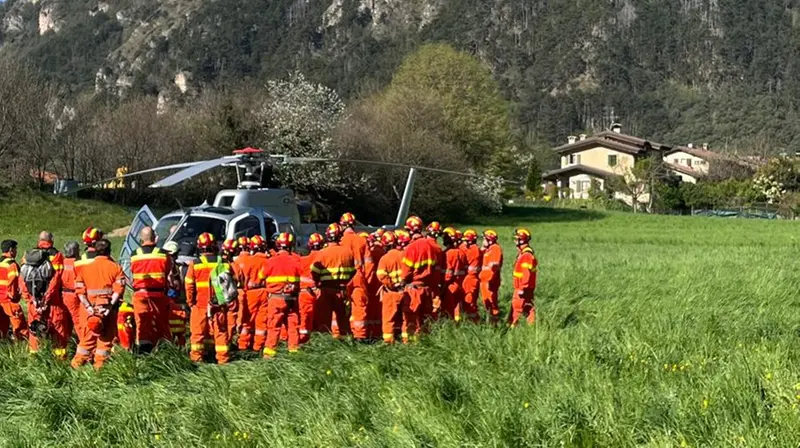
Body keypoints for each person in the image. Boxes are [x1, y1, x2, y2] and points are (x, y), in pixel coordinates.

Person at [71, 239, 125, 369]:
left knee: (86, 341)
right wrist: (110, 306)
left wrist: (89, 307)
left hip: (89, 311)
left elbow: (80, 291)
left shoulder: (85, 268)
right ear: (109, 251)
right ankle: (99, 368)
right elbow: (119, 289)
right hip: (108, 311)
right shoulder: (115, 268)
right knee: (105, 341)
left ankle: (76, 366)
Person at [185, 233, 236, 364]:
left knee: (198, 333)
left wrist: (190, 303)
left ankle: (197, 359)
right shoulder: (224, 263)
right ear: (214, 246)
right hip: (219, 304)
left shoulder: (195, 264)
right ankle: (223, 360)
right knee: (220, 333)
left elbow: (189, 286)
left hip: (200, 304)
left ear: (200, 247)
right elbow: (233, 282)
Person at [21, 231, 69, 359]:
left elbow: (22, 280)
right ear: (51, 240)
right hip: (53, 302)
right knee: (58, 330)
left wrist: (30, 299)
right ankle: (59, 361)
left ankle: (35, 360)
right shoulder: (56, 255)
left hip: (33, 301)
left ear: (39, 240)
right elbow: (56, 280)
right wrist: (46, 300)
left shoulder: (28, 255)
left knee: (34, 330)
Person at [129, 227, 172, 353]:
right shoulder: (164, 254)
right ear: (154, 238)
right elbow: (168, 271)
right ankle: (164, 349)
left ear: (141, 239)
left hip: (140, 294)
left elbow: (132, 272)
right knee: (161, 321)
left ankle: (144, 350)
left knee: (142, 322)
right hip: (159, 294)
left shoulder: (134, 255)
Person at [261, 232, 301, 358]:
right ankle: (294, 354)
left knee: (274, 327)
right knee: (293, 326)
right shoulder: (297, 260)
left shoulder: (271, 261)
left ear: (278, 245)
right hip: (292, 298)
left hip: (276, 298)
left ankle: (269, 356)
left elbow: (261, 276)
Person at [399, 216, 440, 340]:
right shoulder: (432, 246)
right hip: (427, 289)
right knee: (424, 320)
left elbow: (406, 271)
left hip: (413, 290)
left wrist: (401, 282)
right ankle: (424, 343)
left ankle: (410, 345)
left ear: (410, 231)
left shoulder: (411, 247)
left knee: (410, 319)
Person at [312, 223, 355, 338]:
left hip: (326, 290)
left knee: (324, 320)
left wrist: (316, 285)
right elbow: (353, 272)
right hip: (342, 291)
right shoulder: (348, 253)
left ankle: (324, 343)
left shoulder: (322, 253)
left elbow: (314, 272)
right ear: (340, 236)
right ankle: (345, 342)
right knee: (343, 319)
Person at [236, 235, 269, 352]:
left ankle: (243, 345)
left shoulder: (249, 261)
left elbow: (243, 278)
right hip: (265, 292)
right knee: (262, 321)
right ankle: (258, 346)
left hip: (250, 293)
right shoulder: (268, 260)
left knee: (247, 320)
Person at [376, 231, 411, 344]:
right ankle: (407, 341)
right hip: (405, 291)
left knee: (388, 319)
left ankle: (389, 342)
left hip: (391, 293)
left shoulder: (384, 259)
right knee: (406, 318)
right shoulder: (404, 255)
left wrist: (391, 285)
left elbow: (381, 276)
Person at [0, 240, 28, 341]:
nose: (16, 251)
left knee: (2, 327)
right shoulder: (12, 265)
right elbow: (13, 284)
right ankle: (22, 348)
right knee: (20, 327)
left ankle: (4, 346)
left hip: (1, 301)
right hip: (9, 301)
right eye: (15, 249)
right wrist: (15, 296)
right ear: (11, 250)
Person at [298, 233, 324, 344]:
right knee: (322, 318)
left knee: (305, 318)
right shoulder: (324, 256)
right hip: (321, 291)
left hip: (305, 293)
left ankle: (303, 342)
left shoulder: (303, 260)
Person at [510, 228, 538, 326]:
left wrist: (522, 288)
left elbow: (526, 273)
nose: (515, 241)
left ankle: (512, 329)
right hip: (527, 288)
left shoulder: (526, 255)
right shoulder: (524, 253)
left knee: (516, 308)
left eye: (516, 239)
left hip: (522, 288)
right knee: (529, 308)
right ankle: (532, 327)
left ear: (521, 240)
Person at [163, 241, 187, 347]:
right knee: (174, 319)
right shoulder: (171, 264)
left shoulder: (167, 262)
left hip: (170, 294)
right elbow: (170, 277)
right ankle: (175, 342)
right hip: (171, 295)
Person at [440, 228, 466, 320]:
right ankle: (458, 325)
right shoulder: (461, 252)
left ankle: (449, 327)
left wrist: (442, 288)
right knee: (457, 307)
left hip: (449, 286)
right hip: (459, 284)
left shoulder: (447, 253)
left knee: (448, 309)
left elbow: (448, 273)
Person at [363, 231, 385, 339]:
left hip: (371, 284)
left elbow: (368, 269)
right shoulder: (383, 252)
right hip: (379, 284)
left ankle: (369, 334)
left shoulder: (372, 252)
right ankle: (377, 333)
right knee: (378, 311)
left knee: (369, 310)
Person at [479, 229, 503, 324]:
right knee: (487, 303)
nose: (483, 240)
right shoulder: (488, 249)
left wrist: (493, 267)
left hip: (490, 281)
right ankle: (491, 321)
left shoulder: (495, 248)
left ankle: (494, 324)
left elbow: (495, 264)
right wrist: (483, 248)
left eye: (484, 238)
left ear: (489, 239)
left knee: (492, 304)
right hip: (485, 280)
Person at [458, 229, 481, 323]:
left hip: (470, 279)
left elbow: (463, 252)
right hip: (472, 279)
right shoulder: (477, 249)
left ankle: (474, 322)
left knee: (469, 303)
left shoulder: (473, 250)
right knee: (470, 302)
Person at [221, 239, 242, 341]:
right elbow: (239, 280)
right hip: (231, 297)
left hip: (218, 296)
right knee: (230, 320)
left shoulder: (216, 262)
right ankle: (227, 341)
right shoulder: (234, 266)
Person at [61, 241, 82, 335]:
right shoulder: (78, 264)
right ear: (76, 251)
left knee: (65, 321)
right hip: (75, 295)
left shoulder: (61, 263)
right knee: (78, 320)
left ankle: (67, 341)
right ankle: (83, 343)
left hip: (62, 295)